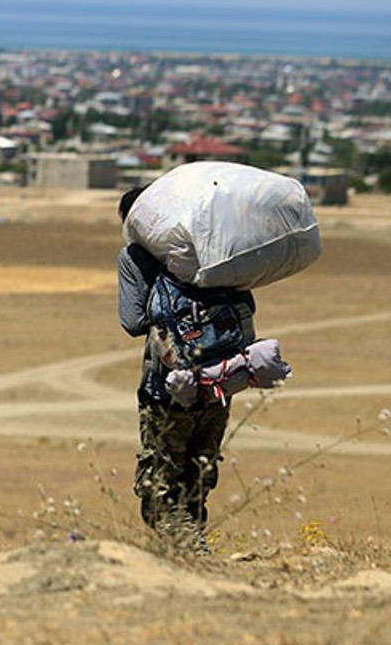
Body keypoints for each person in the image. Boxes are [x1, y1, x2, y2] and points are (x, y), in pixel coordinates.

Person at [117, 187, 256, 552]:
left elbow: (132, 321)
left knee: (160, 487)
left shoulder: (136, 255)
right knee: (196, 482)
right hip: (219, 385)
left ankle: (192, 556)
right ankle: (194, 553)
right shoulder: (212, 245)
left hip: (167, 389)